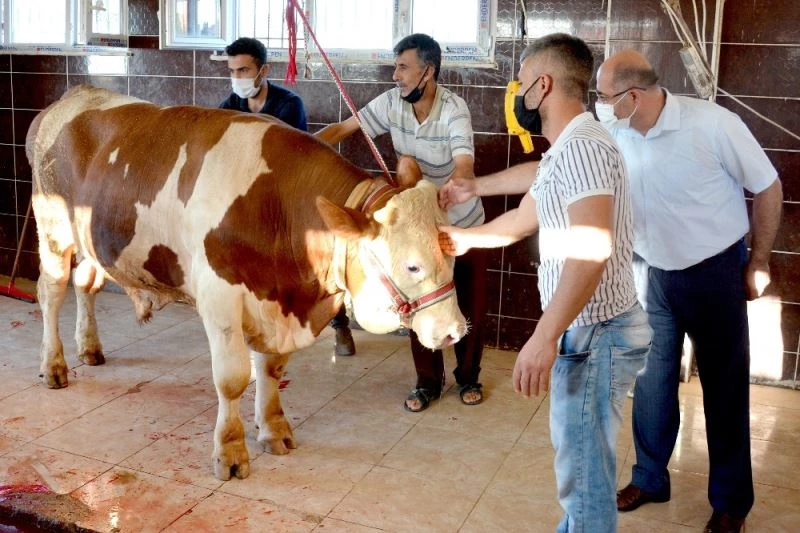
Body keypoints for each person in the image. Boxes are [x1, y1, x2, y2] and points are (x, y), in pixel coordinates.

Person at [438, 33, 651, 533]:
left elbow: (591, 252)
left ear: (544, 85)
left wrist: (542, 336)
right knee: (579, 471)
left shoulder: (583, 149)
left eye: (521, 83)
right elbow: (521, 220)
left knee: (585, 478)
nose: (517, 95)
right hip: (589, 331)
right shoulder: (566, 149)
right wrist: (462, 240)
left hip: (596, 334)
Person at [595, 50, 782, 533]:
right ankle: (650, 477)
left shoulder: (713, 124)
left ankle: (731, 504)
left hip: (713, 273)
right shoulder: (617, 131)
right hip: (650, 272)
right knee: (651, 382)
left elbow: (768, 186)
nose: (600, 105)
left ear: (633, 97)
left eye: (605, 97)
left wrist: (759, 261)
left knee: (723, 387)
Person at [315, 33, 488, 411]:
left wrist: (456, 186)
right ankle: (427, 383)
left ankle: (468, 377)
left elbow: (464, 164)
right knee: (416, 296)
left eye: (403, 68)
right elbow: (343, 129)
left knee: (470, 302)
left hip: (461, 223)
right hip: (415, 229)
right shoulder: (392, 102)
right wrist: (300, 147)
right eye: (395, 67)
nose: (395, 76)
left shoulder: (454, 108)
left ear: (428, 71)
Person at [221, 36, 356, 356]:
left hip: (288, 197)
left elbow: (290, 158)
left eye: (244, 70)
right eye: (233, 71)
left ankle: (339, 322)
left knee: (311, 265)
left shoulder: (288, 104)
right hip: (248, 198)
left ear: (263, 70)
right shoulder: (229, 107)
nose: (237, 78)